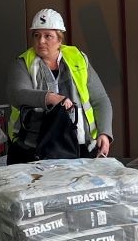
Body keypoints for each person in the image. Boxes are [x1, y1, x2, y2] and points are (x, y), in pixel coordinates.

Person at [6, 8, 114, 162]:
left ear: (59, 39)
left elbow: (100, 99)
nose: (41, 41)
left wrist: (104, 132)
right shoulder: (23, 63)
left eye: (48, 36)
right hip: (33, 148)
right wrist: (51, 98)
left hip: (79, 147)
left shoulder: (78, 59)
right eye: (37, 35)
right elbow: (17, 94)